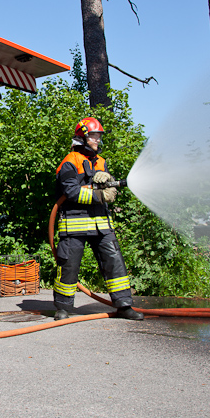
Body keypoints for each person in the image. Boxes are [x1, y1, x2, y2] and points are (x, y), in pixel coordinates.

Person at [53, 117, 143, 321]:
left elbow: (106, 188)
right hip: (74, 225)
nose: (97, 140)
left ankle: (124, 306)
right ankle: (63, 308)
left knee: (114, 262)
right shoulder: (70, 161)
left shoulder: (101, 162)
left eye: (99, 136)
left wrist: (109, 184)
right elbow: (70, 192)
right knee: (68, 266)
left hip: (101, 223)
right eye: (94, 136)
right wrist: (98, 195)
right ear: (82, 137)